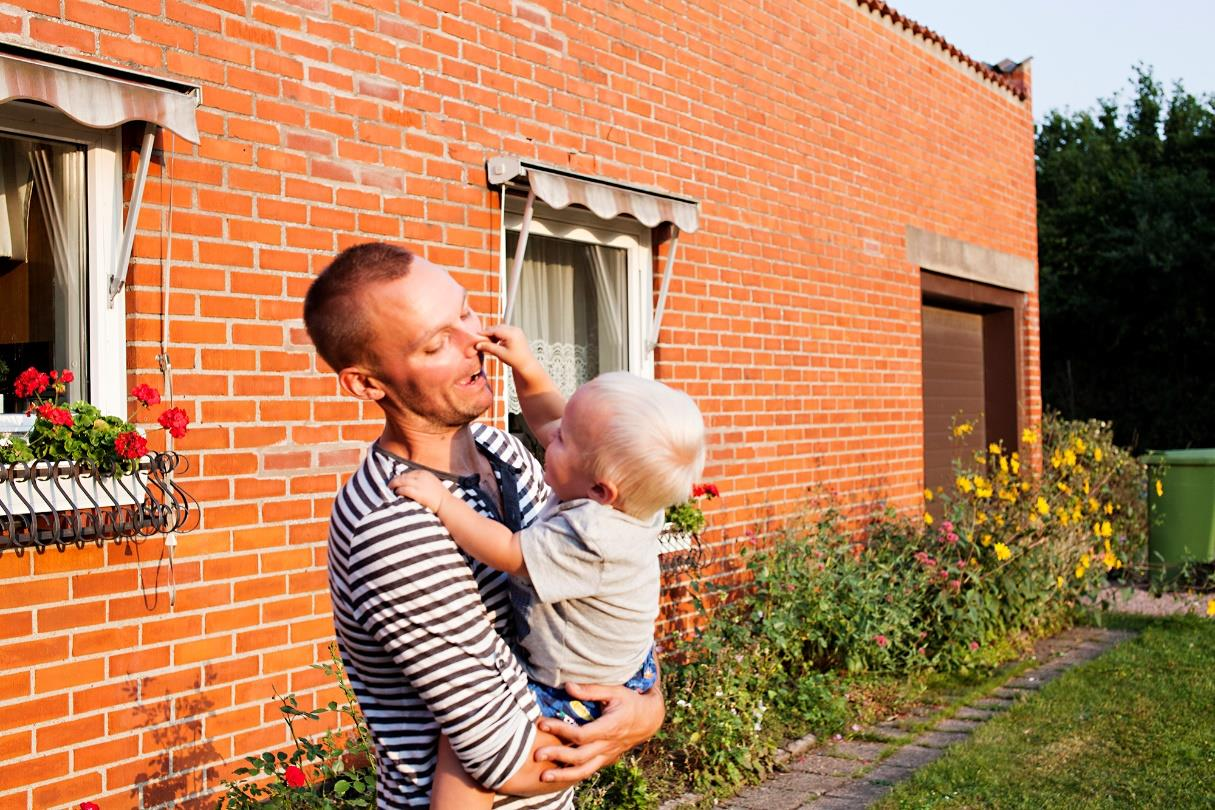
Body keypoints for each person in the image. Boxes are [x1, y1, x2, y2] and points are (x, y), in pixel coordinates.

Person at [302, 243, 665, 809]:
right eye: (434, 342)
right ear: (367, 385)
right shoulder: (396, 525)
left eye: (465, 313)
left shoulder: (504, 453)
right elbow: (506, 758)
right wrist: (631, 724)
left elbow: (597, 585)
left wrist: (647, 703)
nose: (474, 342)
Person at [392, 327, 705, 809]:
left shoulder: (592, 535)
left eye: (562, 441)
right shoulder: (620, 495)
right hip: (622, 661)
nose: (549, 436)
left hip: (576, 684)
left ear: (601, 491)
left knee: (467, 752)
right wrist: (528, 366)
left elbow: (508, 551)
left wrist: (441, 502)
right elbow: (553, 418)